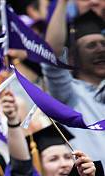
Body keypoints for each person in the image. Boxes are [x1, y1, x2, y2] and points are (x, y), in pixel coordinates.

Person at [44, 3, 105, 162]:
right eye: (91, 46)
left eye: (103, 44)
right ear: (72, 57)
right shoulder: (68, 93)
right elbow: (52, 55)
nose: (101, 50)